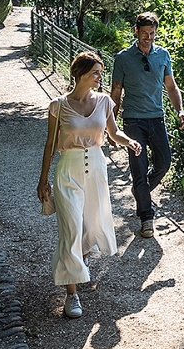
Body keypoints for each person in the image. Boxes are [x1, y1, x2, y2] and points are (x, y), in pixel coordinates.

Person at [37, 51, 140, 319]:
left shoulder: (105, 101)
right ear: (81, 74)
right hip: (67, 169)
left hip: (95, 167)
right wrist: (42, 179)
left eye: (100, 72)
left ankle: (78, 263)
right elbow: (50, 144)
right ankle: (71, 294)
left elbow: (113, 132)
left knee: (89, 227)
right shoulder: (58, 106)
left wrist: (129, 141)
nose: (99, 77)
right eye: (95, 72)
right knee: (70, 229)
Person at [111, 11, 184, 238]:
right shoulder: (123, 58)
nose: (148, 38)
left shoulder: (163, 56)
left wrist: (180, 109)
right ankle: (146, 217)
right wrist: (110, 125)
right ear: (136, 31)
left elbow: (171, 88)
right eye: (144, 33)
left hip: (157, 118)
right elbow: (115, 93)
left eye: (152, 33)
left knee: (164, 163)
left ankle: (140, 190)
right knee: (139, 168)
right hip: (133, 120)